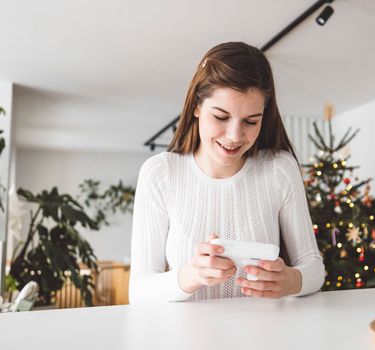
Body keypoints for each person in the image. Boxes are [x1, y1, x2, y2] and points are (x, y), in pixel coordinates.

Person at [129, 42, 324, 303]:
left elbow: (314, 267)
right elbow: (139, 292)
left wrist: (291, 281)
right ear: (197, 106)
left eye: (251, 121)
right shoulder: (160, 173)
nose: (234, 136)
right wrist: (190, 275)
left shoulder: (279, 168)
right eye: (221, 116)